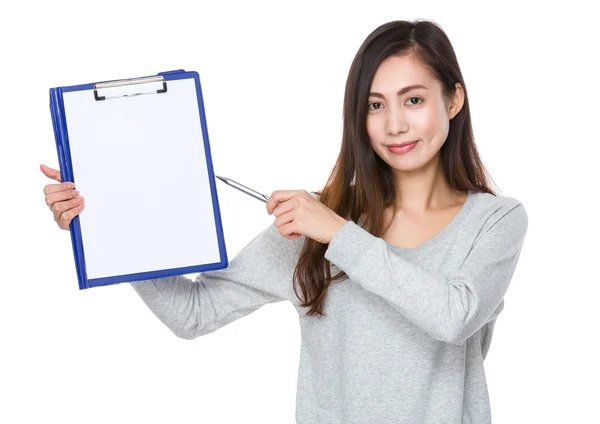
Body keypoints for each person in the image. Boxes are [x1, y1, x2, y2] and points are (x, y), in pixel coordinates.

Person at [41, 19, 528, 424]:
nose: (394, 124)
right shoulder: (317, 225)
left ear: (454, 100)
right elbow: (192, 314)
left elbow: (453, 317)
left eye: (414, 100)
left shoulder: (495, 221)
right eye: (375, 105)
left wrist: (338, 232)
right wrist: (109, 222)